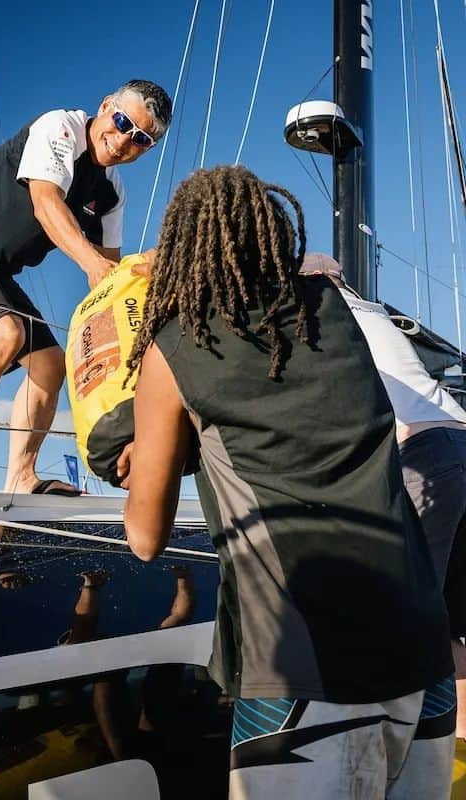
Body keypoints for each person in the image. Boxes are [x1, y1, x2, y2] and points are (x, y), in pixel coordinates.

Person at [119, 165, 454, 799]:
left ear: (187, 252)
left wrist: (155, 445)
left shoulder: (174, 348)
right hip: (422, 653)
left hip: (308, 671)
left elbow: (143, 537)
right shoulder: (339, 314)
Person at [0, 79, 172, 528]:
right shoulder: (59, 127)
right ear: (104, 107)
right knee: (4, 333)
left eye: (140, 139)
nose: (123, 140)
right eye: (122, 122)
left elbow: (108, 277)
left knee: (50, 363)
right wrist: (102, 271)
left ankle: (20, 477)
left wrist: (139, 312)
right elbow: (46, 203)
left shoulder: (111, 193)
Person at [299, 251, 466, 740]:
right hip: (458, 441)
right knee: (448, 627)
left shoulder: (324, 318)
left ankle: (392, 763)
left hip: (423, 458)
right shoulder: (375, 313)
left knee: (405, 632)